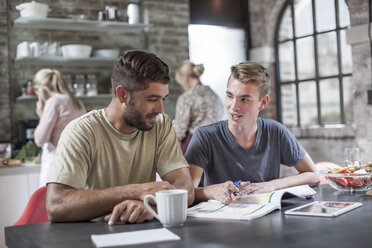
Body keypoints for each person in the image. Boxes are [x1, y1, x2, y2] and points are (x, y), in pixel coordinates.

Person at [45, 50, 194, 225]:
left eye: (163, 99)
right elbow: (56, 205)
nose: (160, 109)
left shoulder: (161, 125)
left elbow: (186, 189)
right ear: (123, 94)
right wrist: (136, 191)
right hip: (93, 234)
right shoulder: (81, 132)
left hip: (146, 234)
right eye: (152, 99)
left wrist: (151, 206)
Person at [185, 61, 320, 203]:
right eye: (230, 96)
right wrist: (213, 190)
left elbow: (314, 175)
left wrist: (272, 185)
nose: (234, 107)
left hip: (266, 217)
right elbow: (187, 193)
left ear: (263, 102)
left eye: (244, 99)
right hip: (223, 219)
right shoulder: (205, 136)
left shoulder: (275, 132)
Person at [33, 69, 86, 187]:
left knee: (50, 203)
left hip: (56, 166)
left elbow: (40, 140)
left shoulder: (54, 102)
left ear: (41, 89)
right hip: (76, 163)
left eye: (36, 91)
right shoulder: (77, 102)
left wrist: (41, 115)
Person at [173, 61, 224, 154]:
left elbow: (179, 131)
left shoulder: (186, 97)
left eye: (181, 83)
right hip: (215, 146)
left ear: (186, 78)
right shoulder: (214, 95)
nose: (182, 86)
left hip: (193, 145)